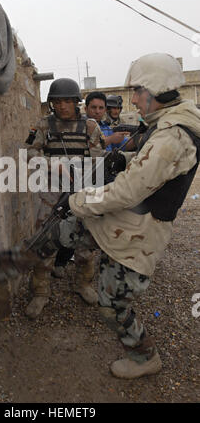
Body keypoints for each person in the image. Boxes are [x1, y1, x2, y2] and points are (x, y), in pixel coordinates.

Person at [67, 53, 200, 378]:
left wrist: (80, 201)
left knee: (112, 303)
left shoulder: (171, 137)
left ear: (155, 90)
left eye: (139, 90)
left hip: (140, 231)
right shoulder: (170, 124)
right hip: (133, 222)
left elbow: (127, 192)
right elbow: (150, 164)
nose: (135, 98)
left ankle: (145, 358)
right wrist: (126, 158)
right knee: (74, 238)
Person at [25, 78, 106, 319]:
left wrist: (78, 171)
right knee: (44, 240)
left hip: (82, 191)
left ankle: (83, 284)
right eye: (57, 102)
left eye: (67, 101)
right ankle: (40, 292)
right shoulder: (43, 126)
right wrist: (54, 165)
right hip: (51, 192)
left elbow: (99, 160)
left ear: (76, 102)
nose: (62, 106)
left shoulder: (91, 127)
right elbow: (29, 153)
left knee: (85, 243)